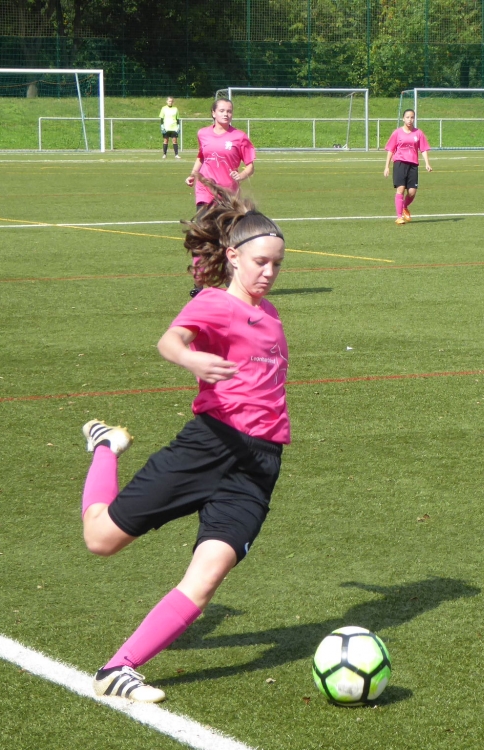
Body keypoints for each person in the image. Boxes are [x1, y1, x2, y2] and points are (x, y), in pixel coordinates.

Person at [78, 182, 288, 703]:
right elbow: (170, 340)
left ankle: (118, 669)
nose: (268, 272)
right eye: (260, 262)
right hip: (209, 446)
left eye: (277, 265)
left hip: (259, 466)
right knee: (101, 539)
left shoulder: (272, 314)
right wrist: (191, 358)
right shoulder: (215, 303)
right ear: (233, 257)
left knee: (209, 573)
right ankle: (105, 446)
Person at [185, 99, 255, 208]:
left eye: (229, 111)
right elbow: (201, 157)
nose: (226, 114)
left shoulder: (240, 136)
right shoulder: (202, 133)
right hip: (205, 189)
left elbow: (250, 167)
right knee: (203, 219)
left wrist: (240, 176)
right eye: (222, 111)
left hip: (228, 193)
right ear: (213, 113)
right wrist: (193, 174)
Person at [383, 109, 432, 225]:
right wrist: (387, 166)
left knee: (412, 192)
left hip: (413, 164)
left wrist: (427, 163)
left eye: (412, 117)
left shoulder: (418, 133)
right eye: (407, 117)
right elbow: (390, 150)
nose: (410, 120)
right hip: (400, 163)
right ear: (403, 119)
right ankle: (399, 217)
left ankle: (404, 206)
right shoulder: (397, 133)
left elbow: (423, 149)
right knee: (400, 189)